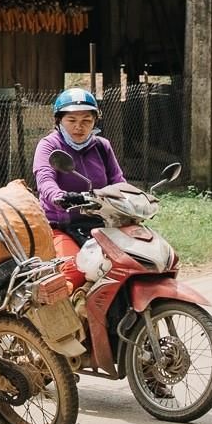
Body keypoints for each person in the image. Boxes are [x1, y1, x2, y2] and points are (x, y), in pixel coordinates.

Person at [32, 87, 126, 292]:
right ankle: (70, 318)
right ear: (59, 121)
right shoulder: (49, 146)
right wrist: (59, 197)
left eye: (86, 120)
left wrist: (131, 199)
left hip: (101, 222)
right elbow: (45, 180)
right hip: (60, 225)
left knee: (128, 263)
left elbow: (118, 181)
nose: (79, 127)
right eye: (71, 120)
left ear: (95, 122)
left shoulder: (102, 146)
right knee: (74, 272)